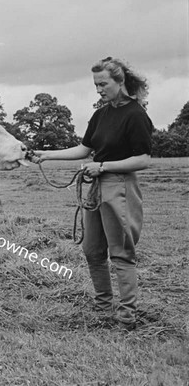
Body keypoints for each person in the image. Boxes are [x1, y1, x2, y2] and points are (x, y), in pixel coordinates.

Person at [31, 57, 153, 330]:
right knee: (92, 250)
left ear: (119, 81)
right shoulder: (101, 114)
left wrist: (103, 166)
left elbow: (144, 159)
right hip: (96, 187)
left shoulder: (135, 114)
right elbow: (84, 149)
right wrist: (46, 155)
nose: (98, 89)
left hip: (120, 186)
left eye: (103, 84)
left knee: (121, 253)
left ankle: (126, 317)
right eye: (96, 85)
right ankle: (102, 307)